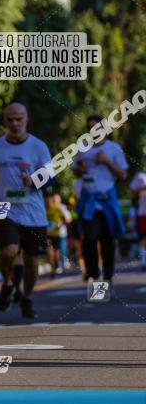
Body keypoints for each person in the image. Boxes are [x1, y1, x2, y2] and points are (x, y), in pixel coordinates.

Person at [0, 103, 52, 318]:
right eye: (10, 119)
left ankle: (27, 298)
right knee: (8, 251)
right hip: (5, 208)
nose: (14, 123)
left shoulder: (39, 146)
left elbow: (50, 179)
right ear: (5, 120)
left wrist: (33, 181)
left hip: (34, 212)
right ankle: (7, 282)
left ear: (26, 119)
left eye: (18, 119)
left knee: (31, 261)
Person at [72, 114, 128, 285]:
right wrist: (79, 169)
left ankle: (108, 275)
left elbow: (123, 174)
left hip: (107, 199)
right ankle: (93, 273)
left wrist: (106, 161)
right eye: (90, 128)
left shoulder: (113, 148)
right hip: (89, 201)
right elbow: (76, 171)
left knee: (108, 239)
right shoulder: (82, 149)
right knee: (89, 238)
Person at [45, 193, 72, 276]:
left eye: (52, 200)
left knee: (58, 250)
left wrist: (60, 223)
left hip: (58, 234)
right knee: (49, 251)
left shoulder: (59, 209)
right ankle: (52, 269)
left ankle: (58, 263)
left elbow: (67, 219)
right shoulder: (43, 210)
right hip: (47, 234)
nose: (51, 201)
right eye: (51, 200)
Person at [129, 169, 146, 270]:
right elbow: (131, 191)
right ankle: (144, 261)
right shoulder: (140, 175)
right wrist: (143, 188)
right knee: (144, 237)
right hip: (144, 212)